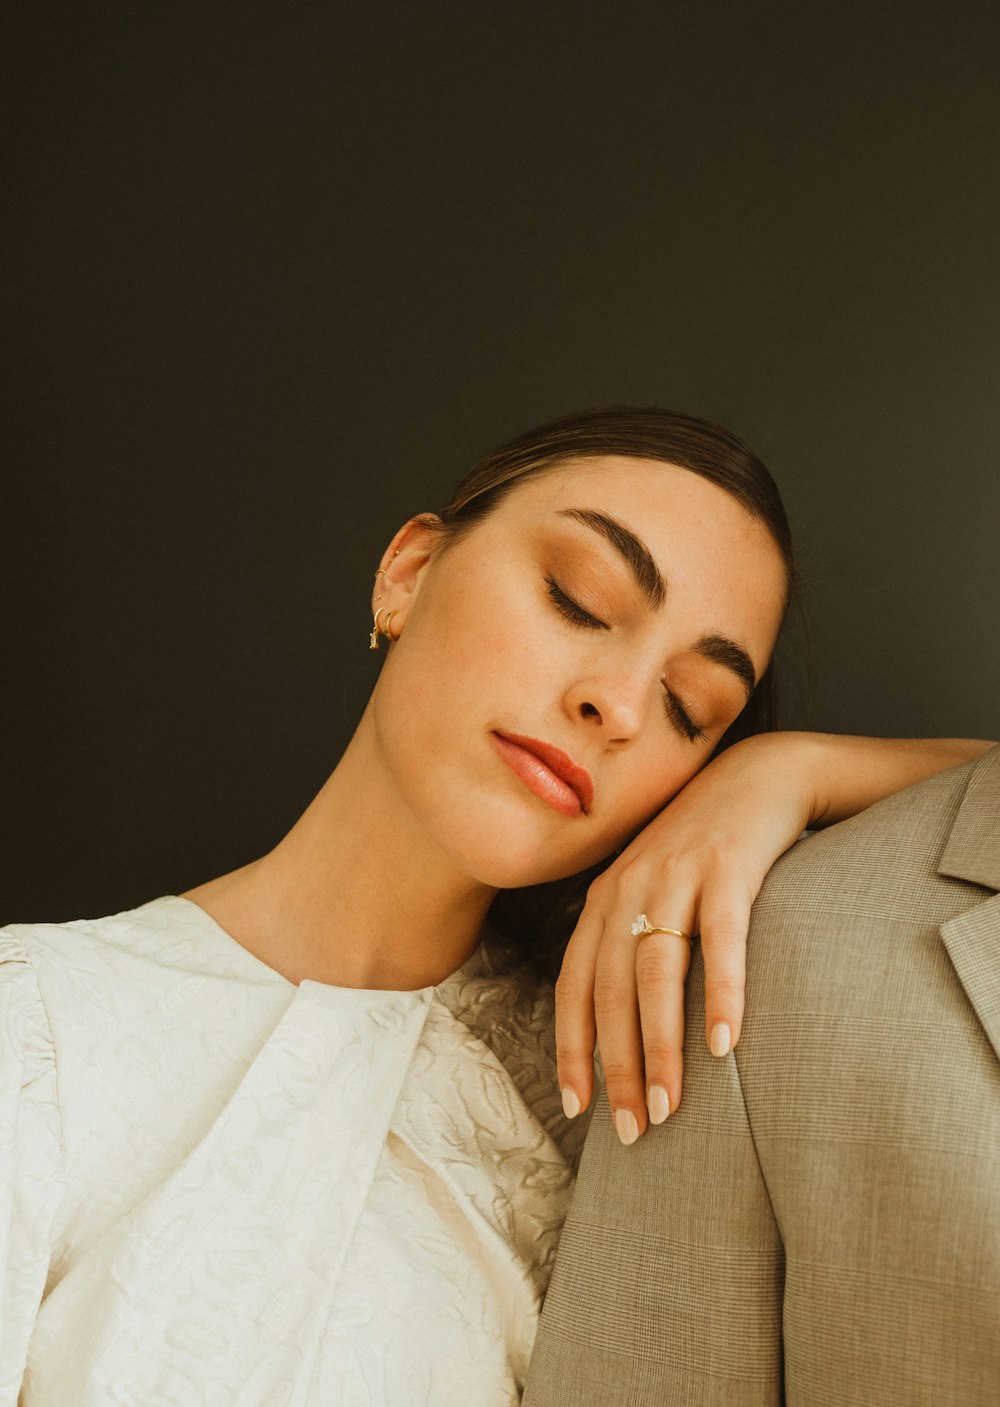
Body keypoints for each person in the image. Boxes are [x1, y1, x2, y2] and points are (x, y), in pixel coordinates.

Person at [0, 405, 991, 1406]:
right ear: (408, 573)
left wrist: (789, 773)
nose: (621, 704)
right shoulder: (42, 1029)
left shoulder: (633, 1090)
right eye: (577, 599)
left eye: (691, 710)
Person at [524, 742, 1000, 1406]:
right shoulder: (753, 953)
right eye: (586, 626)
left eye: (685, 706)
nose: (622, 710)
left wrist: (804, 767)